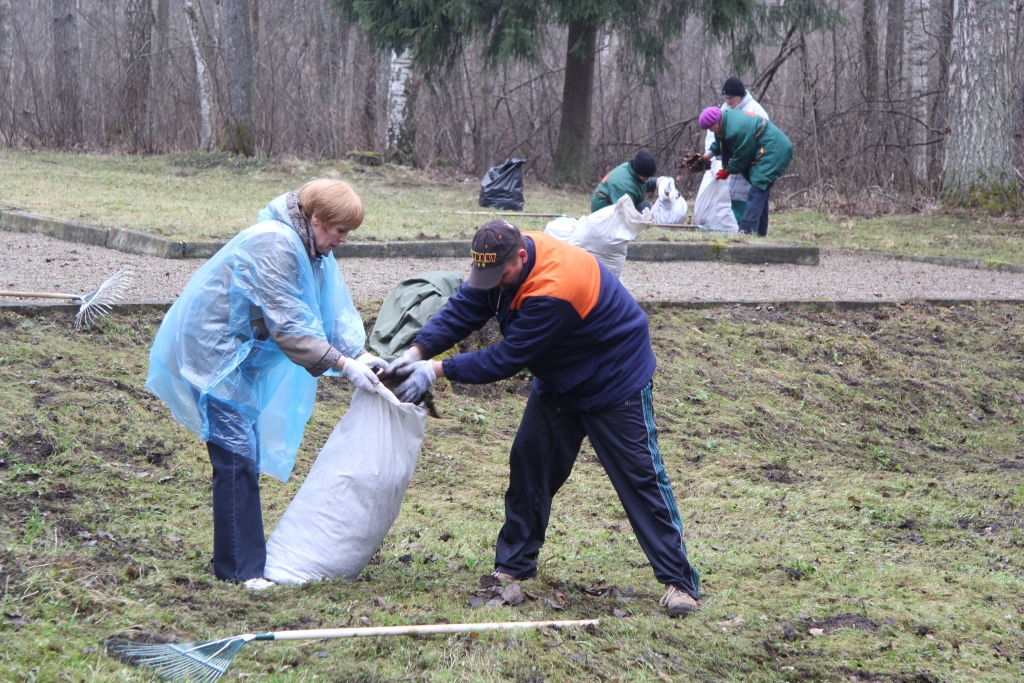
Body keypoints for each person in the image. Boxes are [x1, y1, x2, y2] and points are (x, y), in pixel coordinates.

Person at [385, 220, 701, 617]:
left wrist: (435, 370)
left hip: (614, 378)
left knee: (640, 478)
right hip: (559, 373)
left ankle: (680, 583)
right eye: (486, 275)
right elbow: (465, 307)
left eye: (500, 275)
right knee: (530, 463)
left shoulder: (555, 287)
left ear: (520, 256)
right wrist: (417, 351)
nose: (494, 282)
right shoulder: (498, 267)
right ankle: (514, 566)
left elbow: (508, 357)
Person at [146, 179, 386, 589]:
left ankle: (243, 562)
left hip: (240, 356)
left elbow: (327, 307)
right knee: (236, 455)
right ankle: (241, 571)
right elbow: (291, 326)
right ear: (316, 219)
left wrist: (358, 352)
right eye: (340, 231)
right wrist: (344, 364)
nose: (344, 240)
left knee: (244, 453)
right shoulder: (274, 244)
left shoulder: (312, 248)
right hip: (213, 354)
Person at [699, 106, 793, 237]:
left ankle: (746, 234)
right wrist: (706, 156)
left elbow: (742, 156)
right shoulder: (724, 122)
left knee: (756, 191)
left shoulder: (735, 129)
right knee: (761, 195)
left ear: (716, 122)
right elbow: (721, 144)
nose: (710, 130)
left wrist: (727, 171)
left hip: (774, 150)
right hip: (765, 148)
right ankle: (760, 234)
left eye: (710, 127)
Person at [703, 77, 770, 223]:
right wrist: (710, 157)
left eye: (730, 98)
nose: (727, 101)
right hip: (731, 163)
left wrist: (741, 161)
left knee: (748, 197)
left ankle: (747, 229)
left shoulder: (756, 110)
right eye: (725, 98)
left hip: (749, 163)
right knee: (730, 197)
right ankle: (735, 227)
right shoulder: (724, 110)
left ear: (739, 96)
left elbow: (759, 141)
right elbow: (714, 136)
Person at [591, 150, 658, 213]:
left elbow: (644, 183)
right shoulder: (625, 186)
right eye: (646, 176)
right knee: (643, 210)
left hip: (613, 201)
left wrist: (658, 182)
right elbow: (625, 213)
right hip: (602, 208)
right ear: (640, 172)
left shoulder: (631, 169)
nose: (648, 179)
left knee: (644, 206)